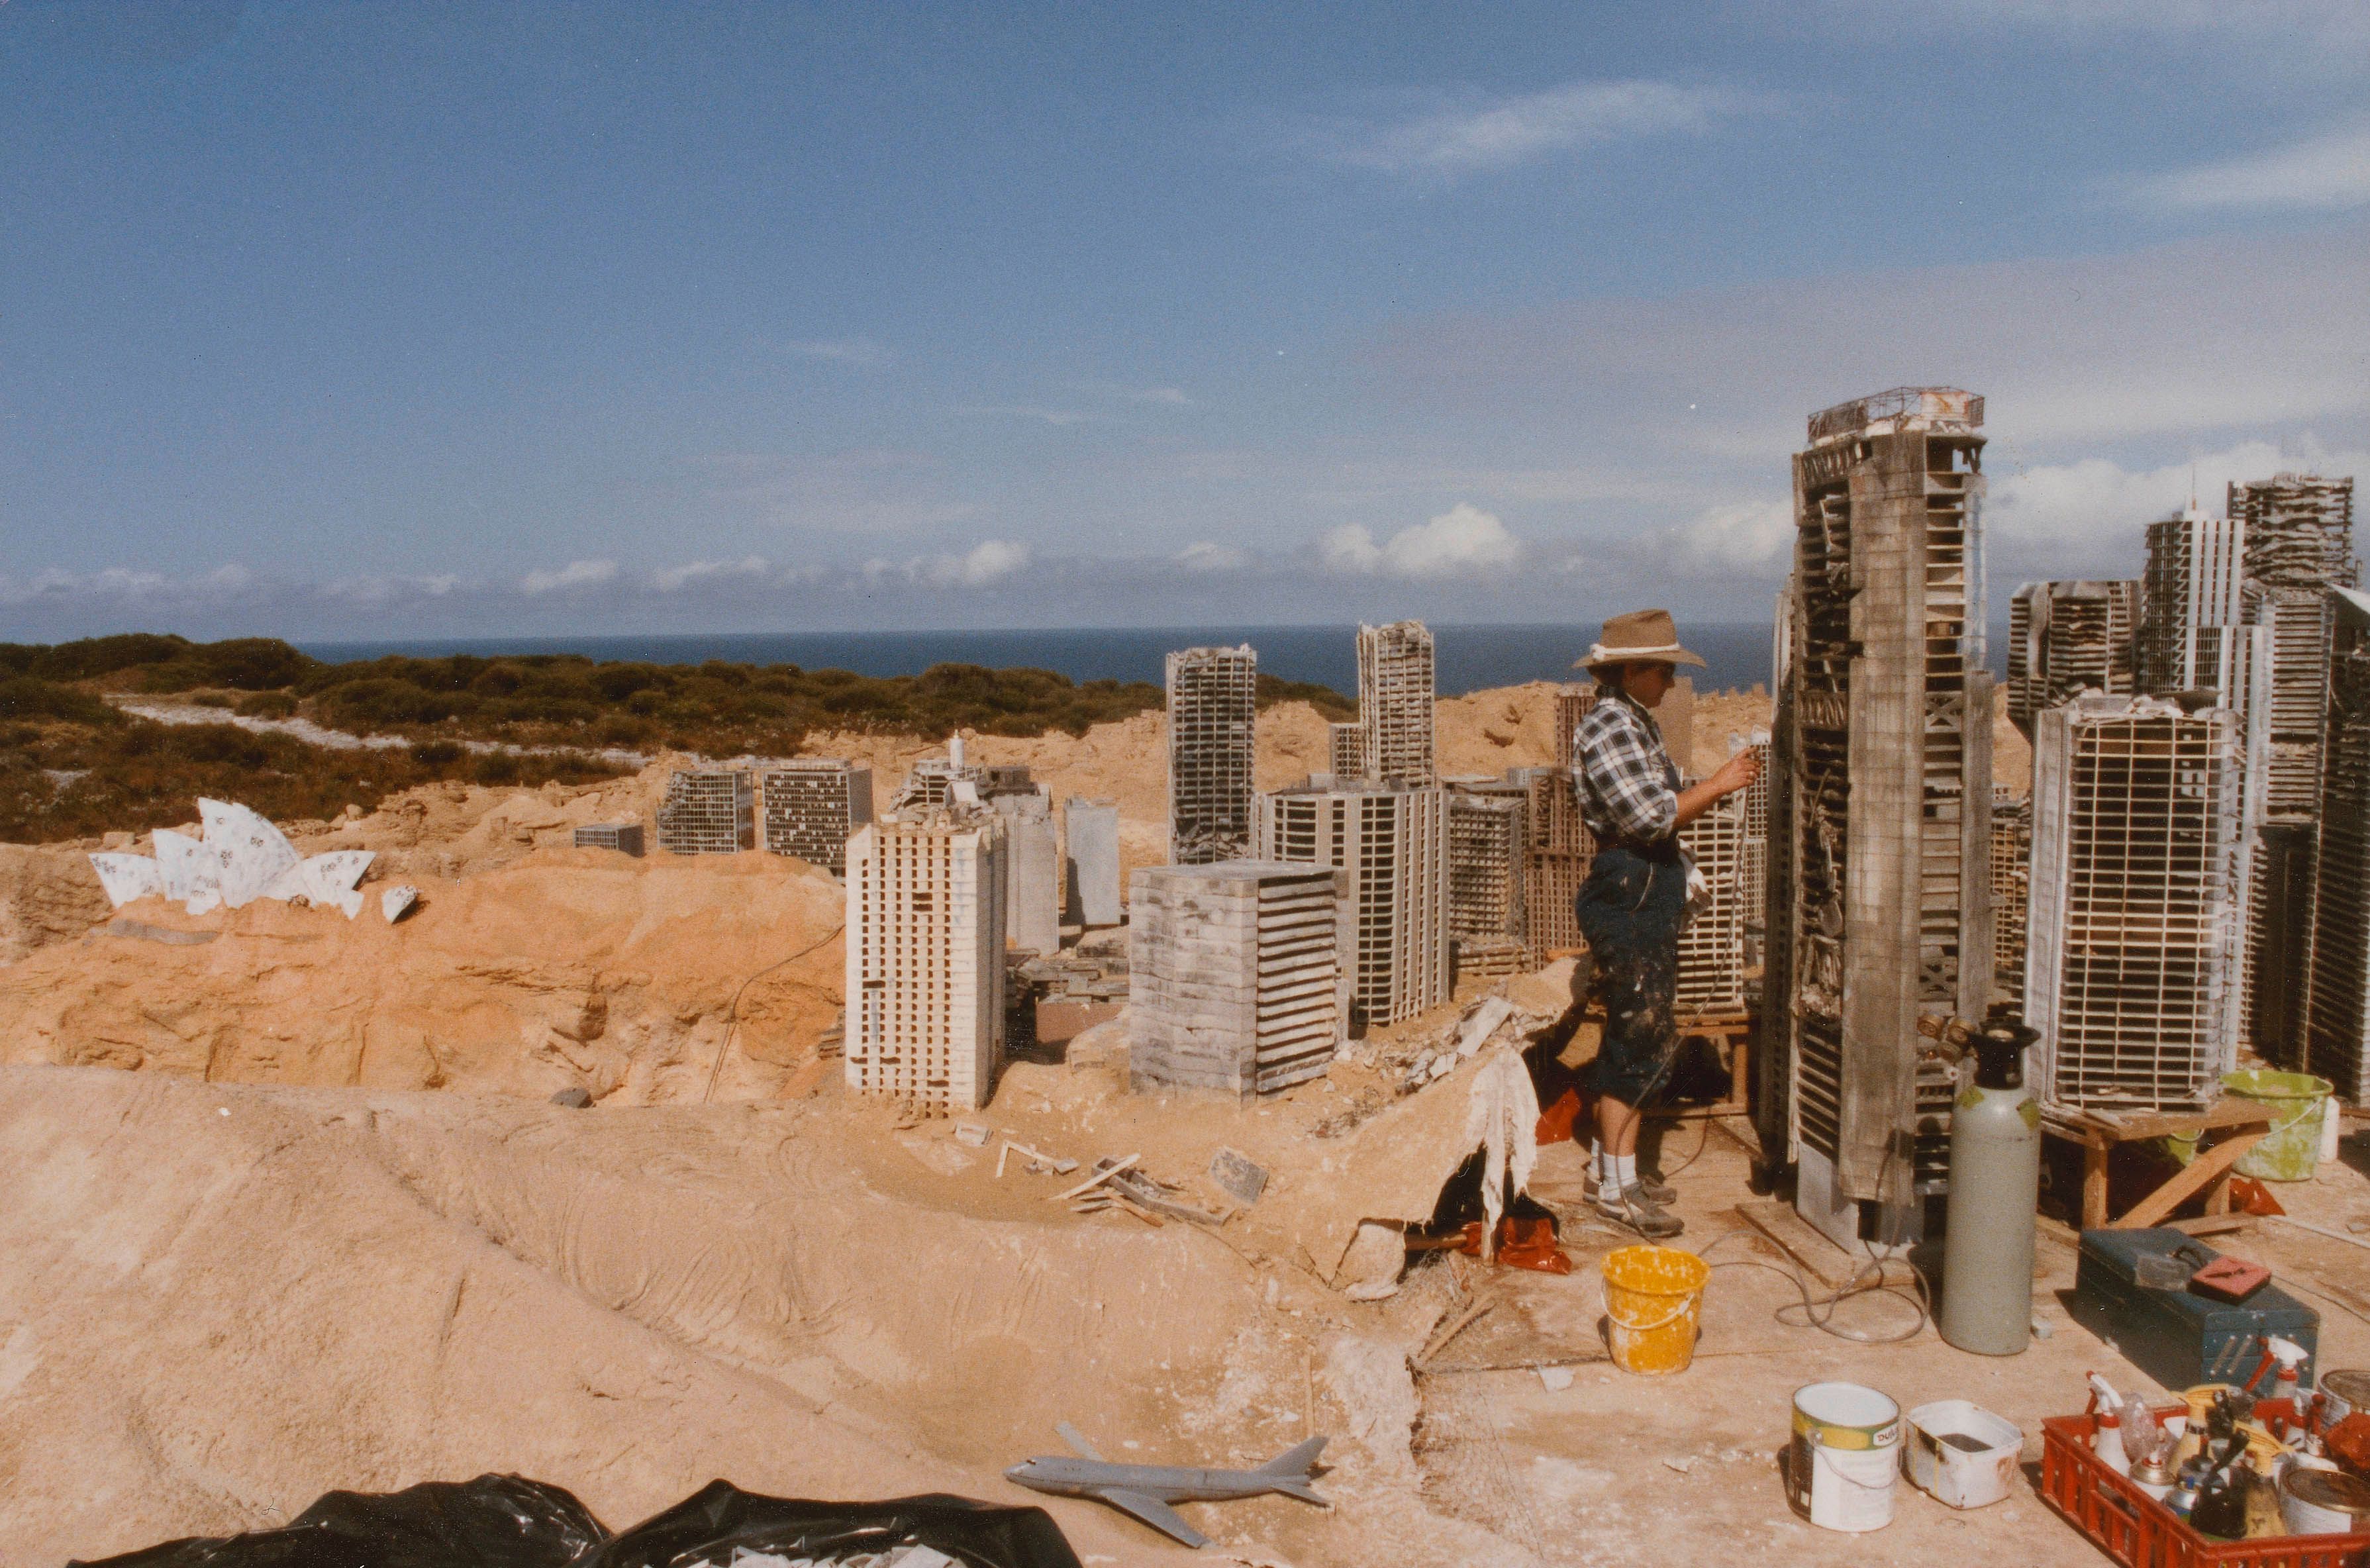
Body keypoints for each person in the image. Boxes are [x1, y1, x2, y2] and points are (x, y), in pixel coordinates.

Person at [1569, 609, 1760, 1240]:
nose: (1672, 683)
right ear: (1635, 669)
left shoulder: (1635, 723)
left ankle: (1610, 1173)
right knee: (1637, 1041)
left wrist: (1712, 785)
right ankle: (1617, 1194)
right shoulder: (1609, 728)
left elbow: (1672, 786)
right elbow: (1654, 816)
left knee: (1637, 1036)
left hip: (1645, 888)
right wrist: (1725, 783)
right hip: (1629, 889)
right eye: (1665, 671)